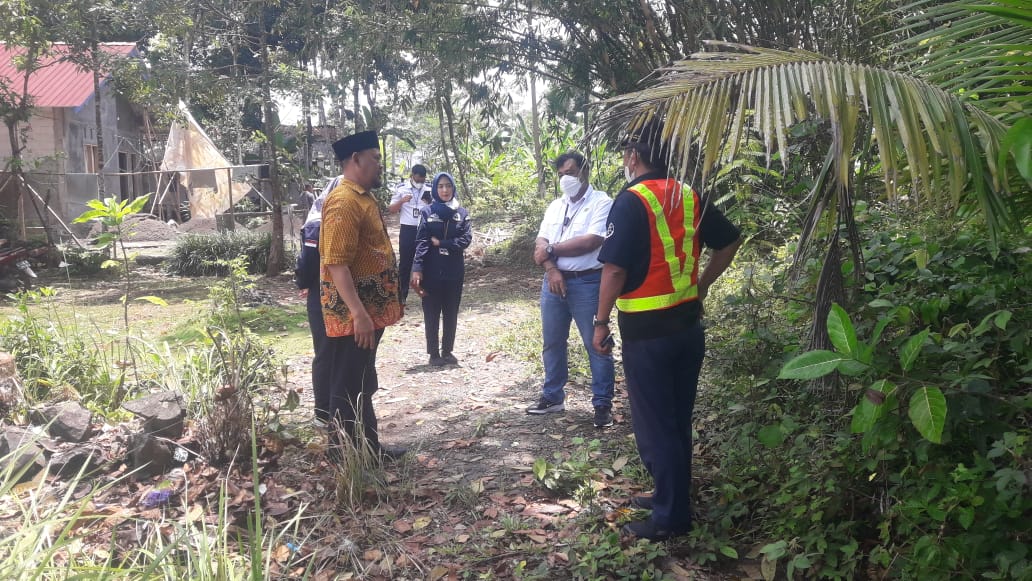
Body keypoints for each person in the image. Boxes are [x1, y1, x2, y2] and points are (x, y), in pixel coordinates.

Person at [593, 120, 742, 540]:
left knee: (658, 425)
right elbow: (728, 241)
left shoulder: (631, 200)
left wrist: (599, 322)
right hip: (687, 328)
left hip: (648, 335)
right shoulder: (687, 193)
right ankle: (669, 495)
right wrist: (702, 285)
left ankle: (670, 518)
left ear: (634, 156)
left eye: (626, 153)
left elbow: (616, 268)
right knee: (675, 420)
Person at [320, 130, 406, 460]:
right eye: (376, 157)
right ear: (356, 160)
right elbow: (336, 264)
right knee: (347, 384)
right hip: (354, 316)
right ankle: (346, 457)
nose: (380, 164)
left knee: (362, 379)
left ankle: (369, 448)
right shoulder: (343, 202)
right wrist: (358, 314)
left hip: (369, 311)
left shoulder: (363, 197)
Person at [526, 152, 617, 429]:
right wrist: (552, 269)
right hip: (553, 282)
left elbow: (591, 241)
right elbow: (541, 242)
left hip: (588, 282)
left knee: (597, 343)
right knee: (552, 342)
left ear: (584, 171)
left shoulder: (602, 202)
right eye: (562, 173)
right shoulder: (555, 206)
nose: (567, 178)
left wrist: (551, 250)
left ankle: (602, 404)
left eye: (572, 171)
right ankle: (553, 397)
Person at [293, 176, 343, 427]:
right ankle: (323, 413)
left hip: (342, 292)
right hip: (321, 293)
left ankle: (339, 408)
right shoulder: (317, 223)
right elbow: (308, 262)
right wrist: (304, 283)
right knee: (325, 352)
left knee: (340, 354)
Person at [410, 172, 472, 367]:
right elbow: (422, 241)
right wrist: (417, 268)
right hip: (431, 270)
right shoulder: (427, 212)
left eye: (448, 186)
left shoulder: (461, 213)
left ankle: (447, 351)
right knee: (431, 311)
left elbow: (465, 239)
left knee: (451, 311)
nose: (445, 190)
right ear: (435, 189)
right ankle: (434, 353)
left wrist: (443, 243)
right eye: (441, 186)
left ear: (453, 187)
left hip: (454, 270)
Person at [388, 164, 432, 304]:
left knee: (427, 261)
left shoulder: (429, 189)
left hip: (424, 229)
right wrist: (401, 201)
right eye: (418, 179)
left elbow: (436, 208)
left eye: (422, 180)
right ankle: (402, 296)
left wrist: (430, 202)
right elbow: (391, 209)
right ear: (412, 175)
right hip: (407, 229)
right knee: (405, 264)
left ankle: (426, 294)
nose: (420, 182)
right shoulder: (401, 188)